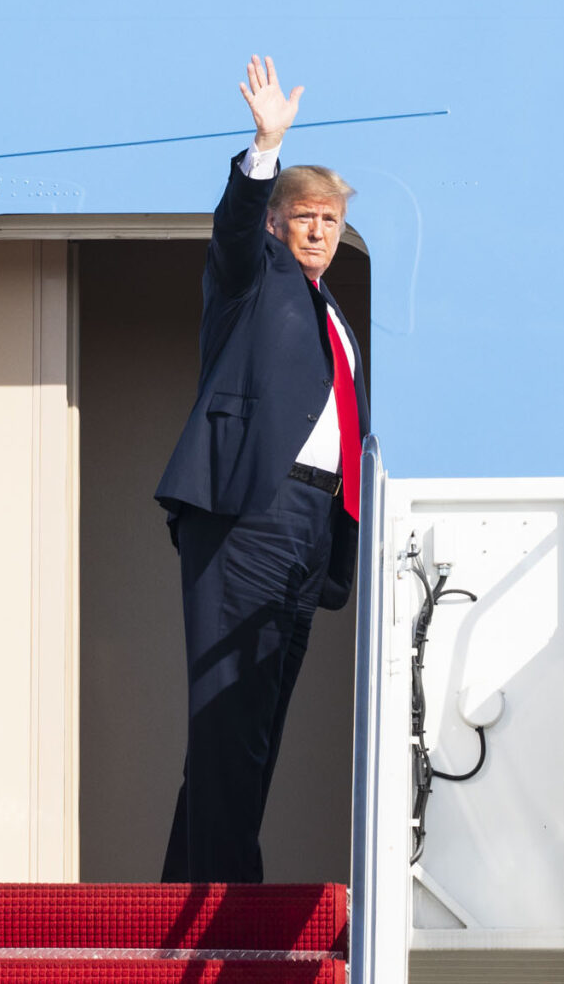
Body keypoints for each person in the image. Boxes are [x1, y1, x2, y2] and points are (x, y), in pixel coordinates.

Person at [153, 54, 369, 883]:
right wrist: (264, 147)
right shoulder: (254, 279)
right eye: (305, 215)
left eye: (331, 219)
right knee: (230, 712)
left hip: (311, 525)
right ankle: (233, 902)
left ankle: (191, 892)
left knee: (254, 716)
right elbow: (234, 230)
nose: (319, 229)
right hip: (252, 512)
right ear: (280, 221)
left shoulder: (331, 312)